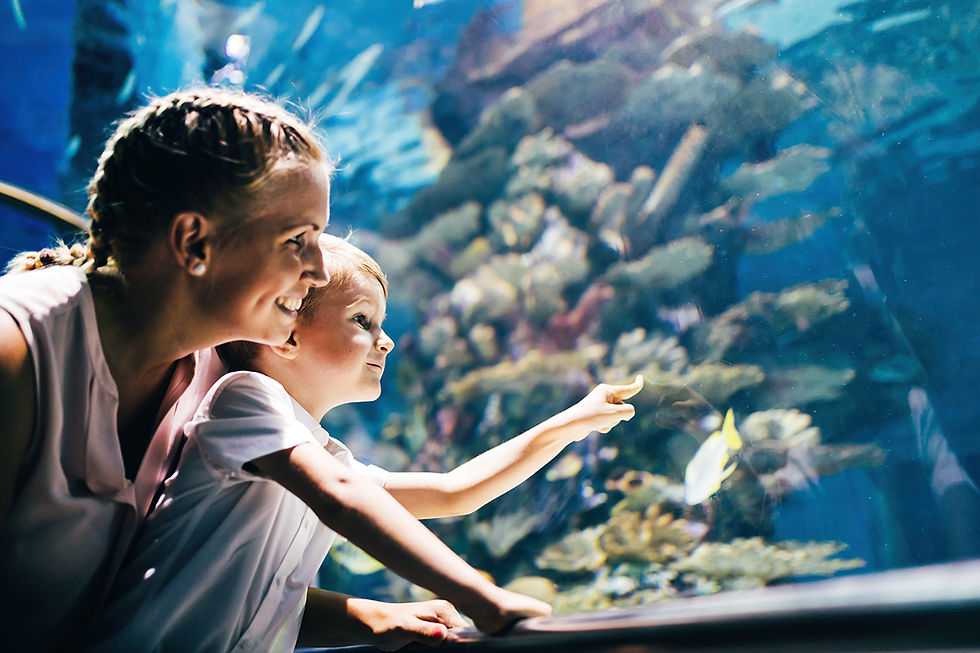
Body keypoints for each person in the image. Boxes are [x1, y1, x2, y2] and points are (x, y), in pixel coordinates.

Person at [85, 235, 644, 652]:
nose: (388, 339)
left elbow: (454, 493)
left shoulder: (321, 453)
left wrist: (568, 423)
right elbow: (342, 498)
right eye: (362, 319)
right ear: (286, 332)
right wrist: (483, 600)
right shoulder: (245, 399)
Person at [0, 87, 332, 651]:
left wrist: (374, 619)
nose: (320, 272)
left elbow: (202, 587)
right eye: (298, 240)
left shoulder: (223, 379)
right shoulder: (18, 351)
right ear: (193, 240)